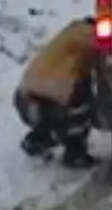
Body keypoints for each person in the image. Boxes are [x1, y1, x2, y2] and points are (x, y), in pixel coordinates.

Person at [13, 16, 102, 168]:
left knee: (49, 118)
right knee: (81, 105)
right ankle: (75, 153)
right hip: (54, 95)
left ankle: (37, 140)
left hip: (24, 96)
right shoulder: (91, 37)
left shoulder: (67, 34)